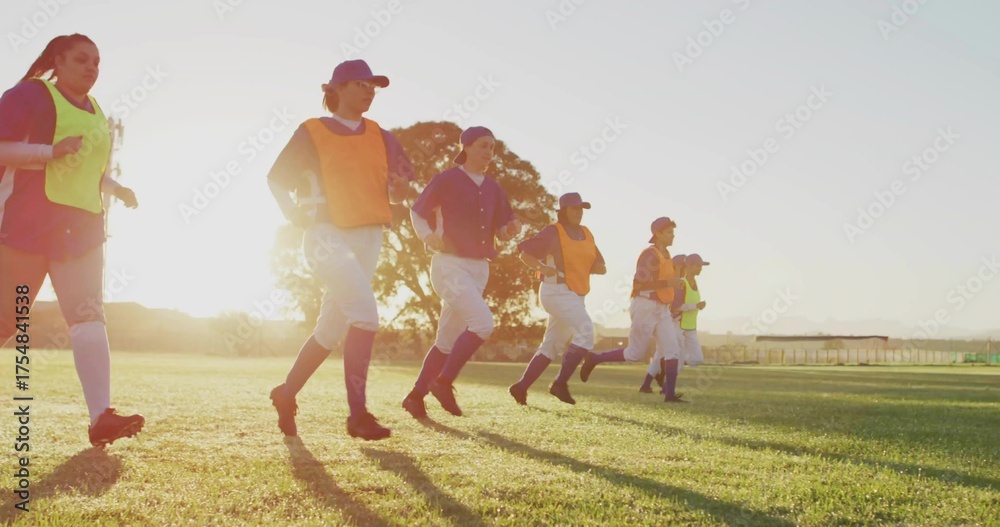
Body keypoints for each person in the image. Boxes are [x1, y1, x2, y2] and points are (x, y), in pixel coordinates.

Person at [0, 34, 143, 448]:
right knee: (6, 321)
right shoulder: (30, 95)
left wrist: (117, 190)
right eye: (82, 59)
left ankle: (101, 417)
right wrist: (48, 151)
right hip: (28, 225)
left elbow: (87, 168)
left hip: (82, 230)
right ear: (58, 60)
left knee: (88, 316)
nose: (91, 68)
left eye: (97, 62)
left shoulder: (96, 111)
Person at [267, 59, 412, 441]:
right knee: (365, 316)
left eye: (373, 87)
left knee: (330, 331)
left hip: (370, 235)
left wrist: (399, 184)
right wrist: (294, 214)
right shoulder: (312, 131)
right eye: (362, 84)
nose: (369, 91)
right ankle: (358, 415)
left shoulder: (381, 134)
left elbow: (402, 179)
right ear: (339, 89)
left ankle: (285, 394)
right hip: (327, 236)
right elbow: (276, 179)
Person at [401, 126, 521, 419]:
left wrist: (510, 230)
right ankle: (443, 382)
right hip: (449, 266)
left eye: (492, 147)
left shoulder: (494, 188)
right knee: (482, 324)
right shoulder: (447, 179)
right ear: (466, 147)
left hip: (479, 268)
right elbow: (417, 211)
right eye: (483, 146)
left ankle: (415, 397)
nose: (488, 152)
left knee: (446, 341)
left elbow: (503, 231)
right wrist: (427, 235)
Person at [508, 192, 606, 406]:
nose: (579, 213)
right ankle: (560, 384)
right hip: (555, 291)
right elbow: (525, 254)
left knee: (551, 346)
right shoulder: (553, 232)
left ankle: (521, 387)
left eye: (581, 209)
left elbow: (600, 265)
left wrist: (589, 266)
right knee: (586, 332)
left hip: (576, 295)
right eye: (574, 209)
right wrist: (542, 267)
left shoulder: (587, 234)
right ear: (563, 211)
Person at [579, 217, 689, 403]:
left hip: (662, 309)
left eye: (673, 232)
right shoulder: (650, 255)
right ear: (658, 233)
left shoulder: (667, 255)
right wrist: (668, 283)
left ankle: (669, 394)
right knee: (634, 354)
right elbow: (639, 283)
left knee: (673, 350)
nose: (673, 236)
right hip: (645, 305)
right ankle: (594, 358)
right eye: (669, 232)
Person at [640, 253, 686, 393]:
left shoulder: (675, 281)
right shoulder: (677, 283)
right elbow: (674, 305)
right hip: (669, 322)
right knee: (676, 354)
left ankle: (647, 385)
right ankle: (666, 387)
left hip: (667, 320)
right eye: (683, 266)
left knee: (661, 354)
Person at [677, 253, 708, 369]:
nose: (700, 268)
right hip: (678, 326)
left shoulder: (695, 283)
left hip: (691, 327)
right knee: (677, 365)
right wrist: (695, 306)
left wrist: (698, 306)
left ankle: (670, 363)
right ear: (689, 266)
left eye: (701, 266)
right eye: (698, 266)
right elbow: (675, 306)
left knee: (697, 359)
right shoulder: (682, 283)